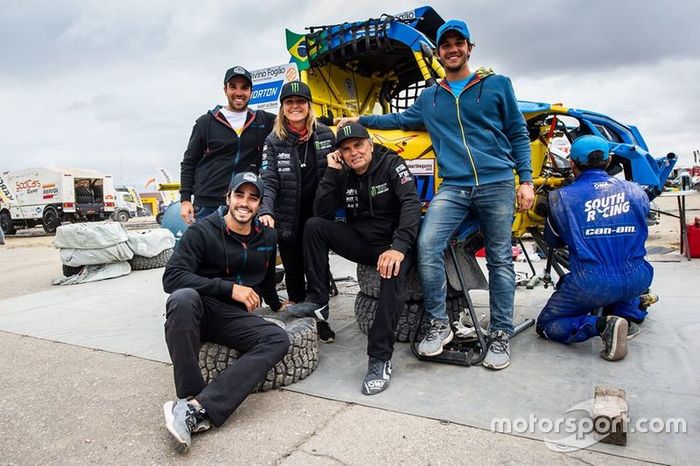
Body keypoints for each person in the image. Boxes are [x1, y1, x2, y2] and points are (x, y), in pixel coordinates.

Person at [336, 19, 534, 369]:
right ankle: (439, 323)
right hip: (455, 187)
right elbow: (398, 120)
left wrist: (526, 180)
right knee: (427, 243)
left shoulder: (497, 85)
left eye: (459, 43)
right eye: (446, 45)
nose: (452, 49)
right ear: (439, 53)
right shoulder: (431, 97)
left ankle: (501, 332)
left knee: (501, 258)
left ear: (469, 48)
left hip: (497, 182)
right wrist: (358, 120)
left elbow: (518, 133)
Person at [286, 123, 421, 395]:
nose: (353, 153)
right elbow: (322, 212)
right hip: (361, 242)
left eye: (358, 145)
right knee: (313, 226)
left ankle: (380, 358)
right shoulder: (342, 173)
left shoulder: (392, 164)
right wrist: (331, 172)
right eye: (345, 149)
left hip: (393, 243)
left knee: (391, 273)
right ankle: (318, 301)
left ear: (369, 145)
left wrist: (398, 247)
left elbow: (411, 203)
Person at [162, 172, 289, 453]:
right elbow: (171, 279)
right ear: (228, 198)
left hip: (233, 318)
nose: (245, 203)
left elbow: (267, 277)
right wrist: (228, 288)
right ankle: (188, 397)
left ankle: (196, 408)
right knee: (182, 299)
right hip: (199, 309)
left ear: (259, 204)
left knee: (278, 338)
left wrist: (276, 303)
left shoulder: (267, 235)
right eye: (240, 195)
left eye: (253, 198)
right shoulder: (202, 231)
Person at [536, 136, 658, 361]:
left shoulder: (561, 198)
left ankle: (603, 325)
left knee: (547, 324)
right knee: (616, 287)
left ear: (572, 163)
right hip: (639, 277)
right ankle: (631, 309)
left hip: (592, 283)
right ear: (609, 159)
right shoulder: (637, 191)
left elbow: (553, 243)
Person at [258, 81, 336, 341]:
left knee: (319, 268)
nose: (295, 106)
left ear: (309, 105)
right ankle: (303, 323)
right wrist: (266, 210)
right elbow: (268, 180)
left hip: (317, 217)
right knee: (293, 269)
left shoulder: (325, 134)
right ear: (282, 107)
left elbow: (338, 175)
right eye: (289, 102)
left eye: (300, 101)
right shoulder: (273, 140)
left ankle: (321, 320)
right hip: (287, 216)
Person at [179, 66, 275, 224]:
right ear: (225, 90)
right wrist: (185, 200)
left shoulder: (263, 121)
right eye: (233, 87)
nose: (239, 93)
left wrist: (330, 122)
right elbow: (189, 163)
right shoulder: (205, 122)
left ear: (251, 92)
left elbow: (293, 118)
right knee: (206, 249)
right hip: (207, 205)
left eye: (244, 88)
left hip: (243, 205)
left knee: (241, 249)